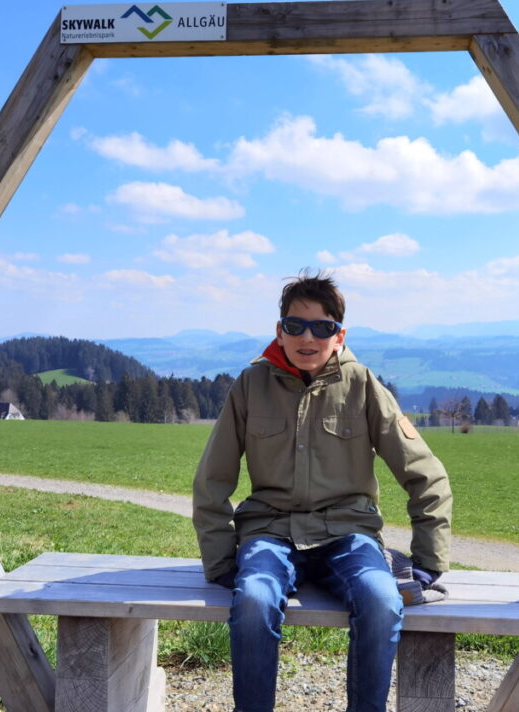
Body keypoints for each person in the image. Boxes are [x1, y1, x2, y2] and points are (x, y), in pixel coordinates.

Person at [192, 271, 453, 712]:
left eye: (322, 327)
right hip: (269, 531)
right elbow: (211, 479)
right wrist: (220, 561)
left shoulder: (364, 385)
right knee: (253, 601)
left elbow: (425, 474)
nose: (307, 337)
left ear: (339, 334)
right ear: (279, 330)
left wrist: (428, 562)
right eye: (295, 326)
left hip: (349, 534)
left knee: (382, 600)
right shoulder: (251, 386)